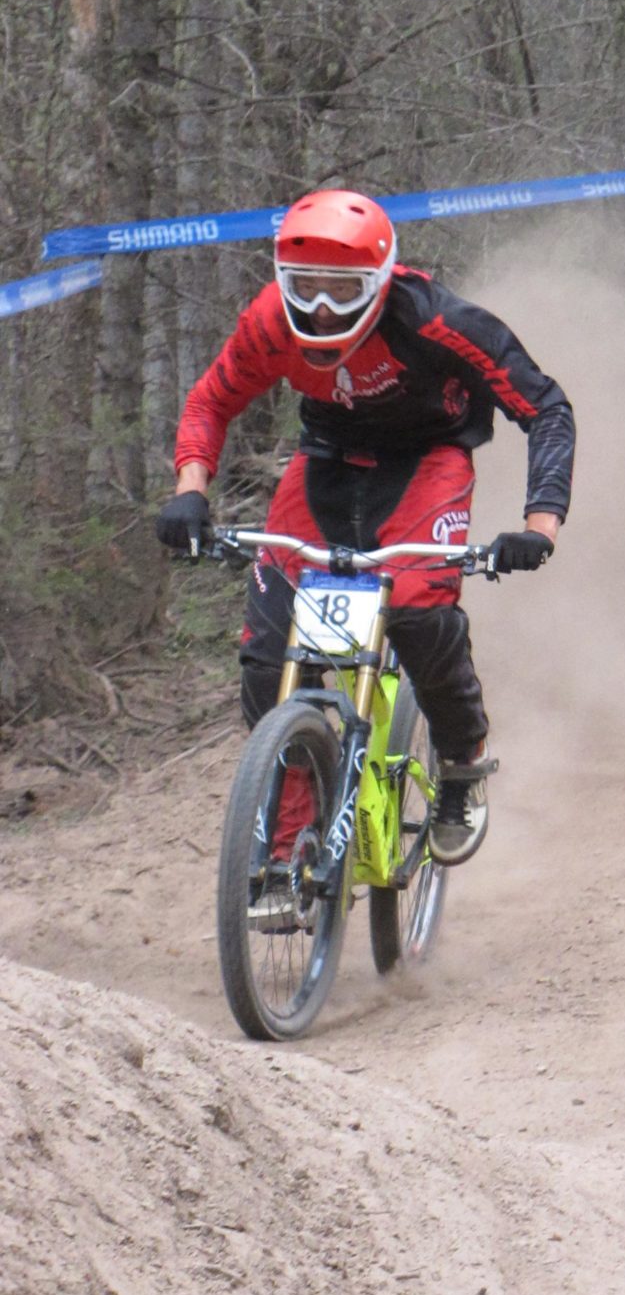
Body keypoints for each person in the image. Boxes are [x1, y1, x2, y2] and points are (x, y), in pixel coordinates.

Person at [155, 189, 574, 863]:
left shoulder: (436, 321)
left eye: (342, 290)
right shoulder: (270, 322)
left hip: (427, 461)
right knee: (268, 658)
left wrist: (539, 525)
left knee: (415, 610)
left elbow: (546, 406)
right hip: (325, 460)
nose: (321, 308)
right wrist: (189, 492)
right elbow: (210, 400)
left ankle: (461, 765)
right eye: (305, 287)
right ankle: (291, 843)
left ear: (378, 286)